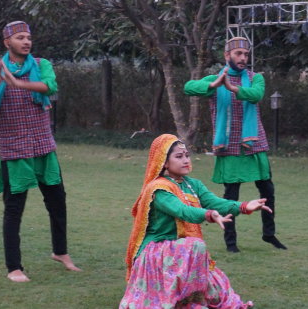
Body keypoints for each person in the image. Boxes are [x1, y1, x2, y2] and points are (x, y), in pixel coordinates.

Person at [0, 21, 80, 282]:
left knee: (57, 203)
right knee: (14, 210)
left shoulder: (41, 64)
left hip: (44, 147)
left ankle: (61, 252)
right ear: (7, 43)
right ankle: (14, 267)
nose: (26, 42)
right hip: (14, 151)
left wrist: (19, 84)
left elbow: (50, 86)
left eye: (28, 38)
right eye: (20, 38)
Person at [120, 134, 271, 308]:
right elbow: (183, 211)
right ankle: (182, 300)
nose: (185, 160)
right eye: (179, 156)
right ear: (164, 162)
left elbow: (216, 203)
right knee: (195, 246)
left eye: (186, 155)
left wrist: (244, 206)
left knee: (211, 277)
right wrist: (208, 215)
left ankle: (190, 298)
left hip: (180, 250)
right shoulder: (159, 189)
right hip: (157, 251)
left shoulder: (192, 184)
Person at [184, 37, 286, 253]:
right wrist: (214, 85)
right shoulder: (216, 79)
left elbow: (256, 95)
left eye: (246, 54)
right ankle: (231, 243)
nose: (243, 58)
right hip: (229, 146)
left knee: (267, 189)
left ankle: (269, 234)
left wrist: (232, 88)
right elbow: (189, 87)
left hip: (254, 143)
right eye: (238, 53)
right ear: (227, 55)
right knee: (231, 195)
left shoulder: (255, 78)